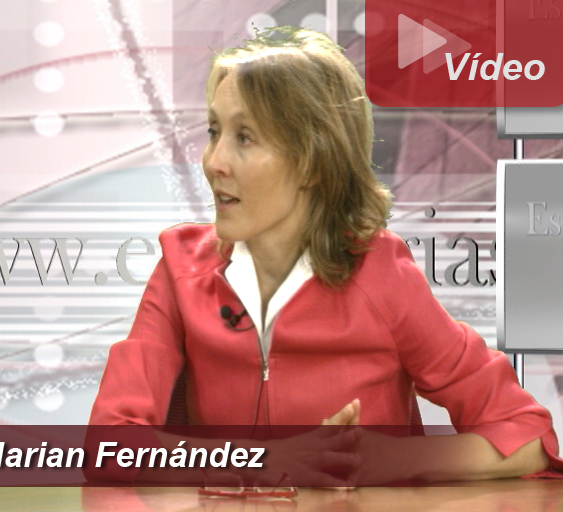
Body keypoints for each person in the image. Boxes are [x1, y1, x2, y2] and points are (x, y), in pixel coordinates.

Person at [89, 26, 560, 485]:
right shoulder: (179, 267)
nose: (213, 162)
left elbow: (527, 435)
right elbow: (109, 445)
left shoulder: (382, 274)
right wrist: (266, 461)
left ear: (313, 162)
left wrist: (389, 459)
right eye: (215, 132)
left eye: (244, 137)